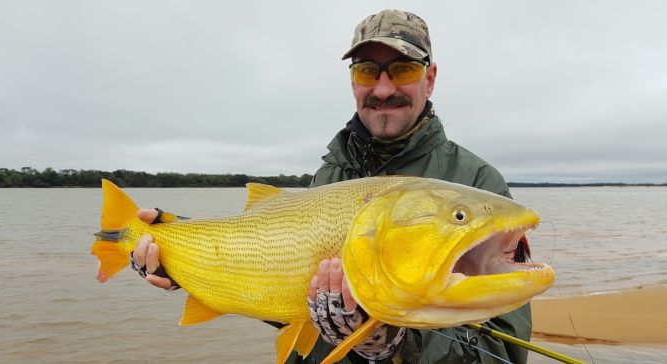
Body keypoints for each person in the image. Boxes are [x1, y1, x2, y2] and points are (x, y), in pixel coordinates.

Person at [131, 9, 532, 363]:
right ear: (353, 82)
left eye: (404, 69)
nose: (383, 88)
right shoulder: (329, 177)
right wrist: (184, 259)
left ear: (430, 78)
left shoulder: (479, 185)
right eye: (367, 71)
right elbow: (283, 290)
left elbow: (504, 353)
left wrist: (391, 344)